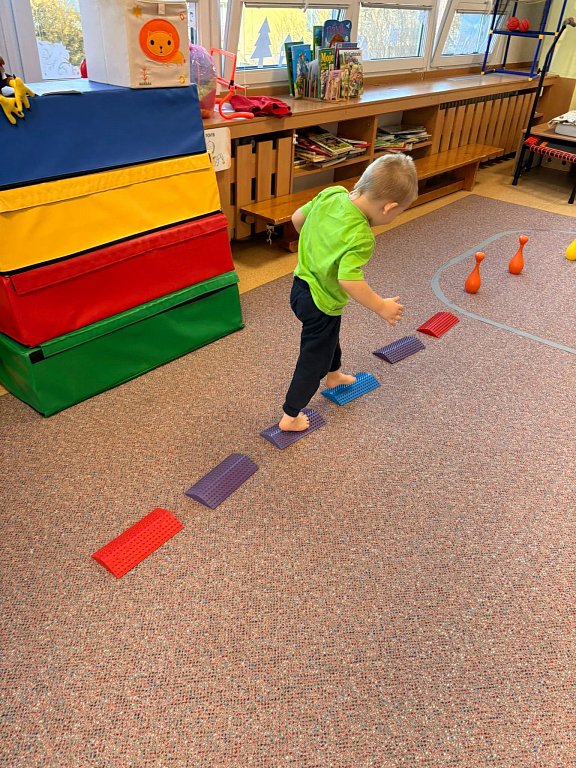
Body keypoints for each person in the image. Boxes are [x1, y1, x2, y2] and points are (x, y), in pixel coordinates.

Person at [278, 152, 418, 431]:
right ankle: (290, 415)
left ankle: (334, 375)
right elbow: (349, 280)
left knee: (330, 335)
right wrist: (381, 306)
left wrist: (318, 247)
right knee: (313, 359)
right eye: (400, 212)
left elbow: (297, 219)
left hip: (300, 287)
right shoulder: (361, 236)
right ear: (389, 207)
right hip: (320, 303)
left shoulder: (332, 194)